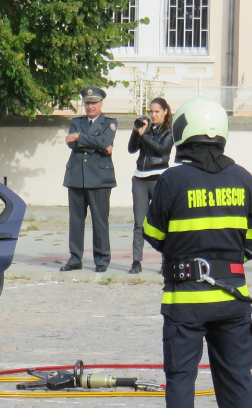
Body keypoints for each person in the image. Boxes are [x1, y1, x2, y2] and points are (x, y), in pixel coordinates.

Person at [133, 97, 252, 408]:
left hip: (185, 303)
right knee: (237, 380)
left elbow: (153, 235)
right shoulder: (243, 178)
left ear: (184, 134)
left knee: (181, 383)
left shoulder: (173, 180)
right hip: (232, 301)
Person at [61, 87, 117, 273]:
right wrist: (96, 144)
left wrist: (79, 138)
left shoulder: (110, 123)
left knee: (100, 221)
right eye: (87, 103)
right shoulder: (77, 122)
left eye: (94, 103)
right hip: (77, 176)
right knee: (76, 220)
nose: (90, 106)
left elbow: (103, 142)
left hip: (100, 178)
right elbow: (72, 145)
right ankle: (75, 258)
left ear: (101, 103)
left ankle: (102, 259)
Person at [127, 97, 174, 274]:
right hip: (140, 178)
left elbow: (161, 149)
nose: (153, 115)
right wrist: (135, 131)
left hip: (159, 177)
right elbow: (132, 149)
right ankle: (136, 262)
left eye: (157, 112)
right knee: (139, 223)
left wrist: (144, 135)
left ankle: (166, 261)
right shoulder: (145, 128)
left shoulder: (169, 131)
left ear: (165, 112)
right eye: (151, 111)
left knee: (162, 222)